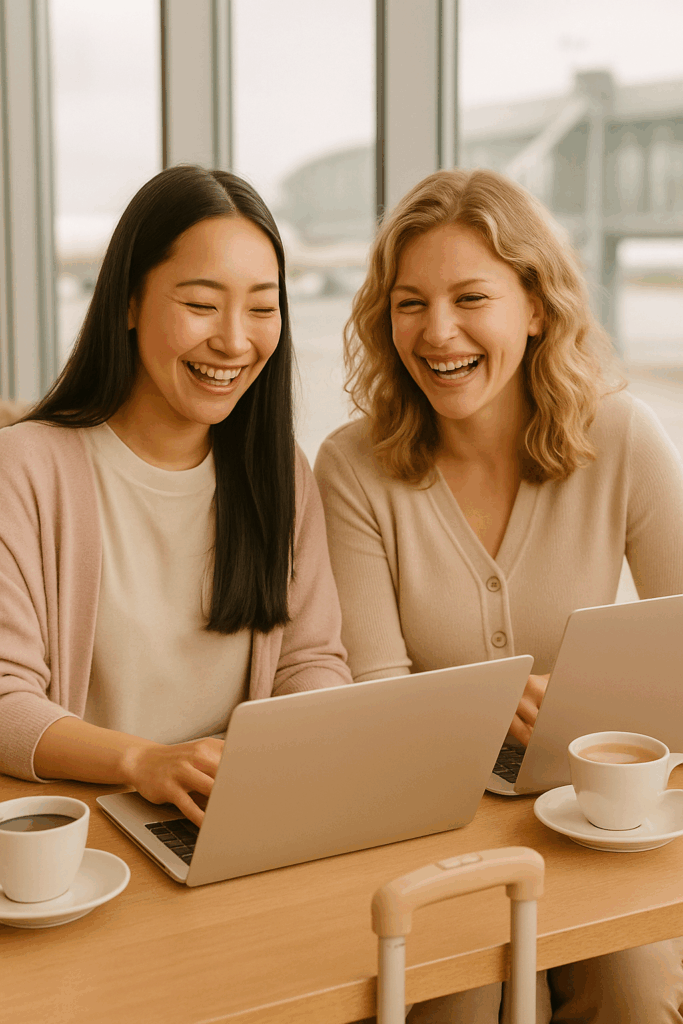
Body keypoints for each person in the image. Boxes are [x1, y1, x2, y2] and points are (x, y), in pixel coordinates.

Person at [314, 168, 683, 1022]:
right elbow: (371, 687)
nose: (437, 332)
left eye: (470, 297)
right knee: (460, 1001)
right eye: (409, 303)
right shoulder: (351, 467)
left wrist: (592, 713)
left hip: (596, 817)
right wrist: (469, 714)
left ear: (536, 306)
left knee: (632, 992)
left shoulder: (621, 435)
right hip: (429, 829)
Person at [0, 165, 351, 828]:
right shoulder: (25, 468)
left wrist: (297, 752)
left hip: (232, 818)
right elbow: (5, 699)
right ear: (128, 302)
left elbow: (311, 660)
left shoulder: (277, 469)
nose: (234, 340)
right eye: (199, 305)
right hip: (90, 831)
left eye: (262, 307)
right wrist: (144, 762)